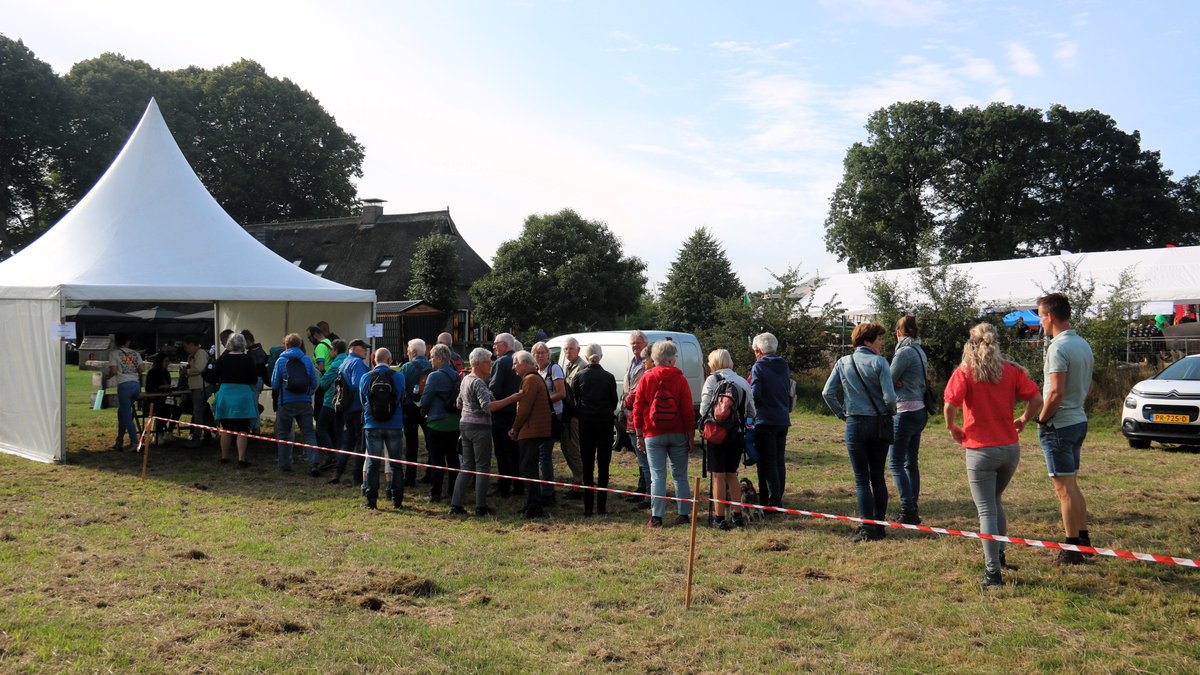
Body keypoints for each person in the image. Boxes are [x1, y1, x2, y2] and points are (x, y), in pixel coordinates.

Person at [944, 323, 1043, 589]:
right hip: (1009, 449)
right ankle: (999, 556)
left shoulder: (964, 372)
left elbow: (950, 405)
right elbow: (1037, 399)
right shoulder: (1010, 371)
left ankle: (992, 574)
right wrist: (1023, 419)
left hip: (980, 450)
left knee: (986, 508)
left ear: (971, 343)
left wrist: (952, 428)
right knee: (995, 501)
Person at [1035, 292, 1096, 565]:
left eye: (1040, 316)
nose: (1040, 323)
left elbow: (1055, 393)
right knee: (1072, 485)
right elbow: (1089, 386)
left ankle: (1072, 547)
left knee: (1064, 490)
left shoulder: (1058, 348)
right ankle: (1083, 539)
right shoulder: (1082, 344)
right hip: (1078, 420)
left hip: (1060, 424)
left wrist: (1043, 419)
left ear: (1050, 316)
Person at [822, 323, 897, 542]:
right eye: (879, 339)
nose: (882, 343)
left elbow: (828, 392)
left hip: (854, 423)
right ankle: (880, 527)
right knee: (878, 476)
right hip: (879, 423)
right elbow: (890, 398)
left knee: (861, 479)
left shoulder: (843, 362)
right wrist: (889, 411)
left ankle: (867, 527)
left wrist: (841, 414)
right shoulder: (880, 363)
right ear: (867, 341)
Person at [452, 347, 523, 516]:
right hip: (479, 428)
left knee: (467, 466)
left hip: (465, 425)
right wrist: (512, 399)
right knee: (483, 467)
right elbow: (488, 407)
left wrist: (471, 408)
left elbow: (459, 404)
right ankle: (480, 507)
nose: (490, 364)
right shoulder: (478, 382)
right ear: (478, 363)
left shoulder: (465, 380)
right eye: (487, 361)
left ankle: (456, 505)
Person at [633, 340, 695, 528]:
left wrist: (638, 434)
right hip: (677, 433)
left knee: (657, 475)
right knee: (680, 475)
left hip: (653, 433)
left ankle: (657, 517)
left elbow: (638, 407)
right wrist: (691, 436)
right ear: (671, 360)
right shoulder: (680, 379)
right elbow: (687, 410)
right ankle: (683, 515)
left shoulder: (647, 378)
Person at [700, 348, 755, 530]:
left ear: (713, 363)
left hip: (716, 434)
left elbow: (704, 410)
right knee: (732, 474)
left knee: (717, 475)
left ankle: (719, 518)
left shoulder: (711, 380)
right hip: (736, 433)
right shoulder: (741, 382)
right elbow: (751, 412)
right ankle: (738, 516)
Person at [888, 316, 930, 525]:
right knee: (910, 462)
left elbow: (887, 378)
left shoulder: (903, 352)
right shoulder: (920, 351)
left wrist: (894, 381)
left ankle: (908, 509)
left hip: (904, 410)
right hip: (920, 409)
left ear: (898, 333)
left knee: (895, 463)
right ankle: (913, 504)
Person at [571, 343, 619, 517]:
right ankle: (601, 506)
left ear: (585, 357)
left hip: (586, 424)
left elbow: (574, 399)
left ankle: (588, 507)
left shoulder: (579, 376)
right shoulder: (609, 377)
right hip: (605, 423)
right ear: (601, 356)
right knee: (604, 466)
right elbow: (614, 401)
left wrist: (582, 413)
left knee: (587, 465)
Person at [360, 348, 406, 510]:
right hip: (394, 424)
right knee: (395, 464)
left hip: (372, 425)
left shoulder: (366, 377)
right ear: (390, 360)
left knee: (373, 463)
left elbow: (363, 400)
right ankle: (397, 500)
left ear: (374, 361)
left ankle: (371, 501)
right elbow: (400, 397)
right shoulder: (399, 377)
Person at [750, 332, 792, 510]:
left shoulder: (758, 367)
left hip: (765, 419)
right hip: (782, 418)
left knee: (766, 461)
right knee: (778, 460)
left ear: (758, 350)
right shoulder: (784, 365)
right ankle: (775, 496)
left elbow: (756, 395)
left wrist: (750, 409)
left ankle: (772, 501)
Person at [509, 350, 553, 518]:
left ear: (525, 363)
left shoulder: (530, 381)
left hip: (531, 431)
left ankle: (534, 507)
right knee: (531, 467)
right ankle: (531, 504)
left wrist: (514, 428)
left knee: (527, 468)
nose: (513, 367)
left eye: (515, 363)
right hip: (533, 430)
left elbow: (524, 410)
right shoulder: (533, 379)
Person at [418, 343, 462, 503]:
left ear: (439, 358)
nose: (430, 361)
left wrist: (422, 413)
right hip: (454, 422)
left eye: (432, 357)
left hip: (437, 423)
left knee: (437, 460)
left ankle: (435, 493)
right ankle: (453, 491)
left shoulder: (434, 376)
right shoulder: (456, 375)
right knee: (453, 459)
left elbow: (426, 399)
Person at [270, 333, 319, 473]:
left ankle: (284, 464)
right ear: (300, 345)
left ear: (286, 345)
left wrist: (277, 398)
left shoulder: (281, 361)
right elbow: (314, 382)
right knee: (308, 433)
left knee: (284, 433)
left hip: (286, 402)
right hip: (304, 402)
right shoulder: (307, 360)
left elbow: (274, 384)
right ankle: (314, 463)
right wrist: (308, 395)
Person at [211, 333, 258, 467]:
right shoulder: (248, 359)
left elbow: (214, 377)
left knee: (226, 428)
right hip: (243, 394)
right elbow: (253, 380)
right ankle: (241, 458)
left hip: (226, 394)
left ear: (229, 344)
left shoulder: (222, 359)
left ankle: (224, 457)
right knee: (243, 428)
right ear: (243, 344)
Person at [330, 339, 370, 485]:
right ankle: (357, 478)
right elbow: (358, 385)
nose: (366, 350)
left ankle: (337, 472)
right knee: (360, 444)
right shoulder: (357, 363)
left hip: (346, 408)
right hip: (357, 408)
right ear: (352, 348)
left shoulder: (344, 362)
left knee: (347, 442)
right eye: (363, 348)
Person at [489, 333, 523, 498]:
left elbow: (494, 389)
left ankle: (504, 488)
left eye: (496, 344)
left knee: (502, 452)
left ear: (504, 344)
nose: (494, 347)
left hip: (502, 414)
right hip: (517, 413)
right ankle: (518, 485)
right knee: (516, 452)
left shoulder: (501, 362)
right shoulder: (520, 360)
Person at [531, 341, 566, 504]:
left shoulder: (554, 369)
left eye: (542, 352)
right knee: (540, 455)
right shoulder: (535, 372)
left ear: (548, 355)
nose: (539, 355)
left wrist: (542, 400)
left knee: (544, 455)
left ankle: (548, 493)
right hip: (540, 417)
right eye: (537, 353)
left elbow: (561, 393)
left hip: (553, 416)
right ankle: (544, 489)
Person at [621, 331, 651, 508]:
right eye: (632, 343)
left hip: (640, 415)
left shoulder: (646, 366)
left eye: (638, 343)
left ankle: (648, 494)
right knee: (641, 459)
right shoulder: (632, 363)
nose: (635, 346)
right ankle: (642, 489)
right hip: (630, 414)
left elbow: (637, 391)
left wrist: (627, 401)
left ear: (645, 344)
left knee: (645, 460)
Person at [397, 338, 431, 488]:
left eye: (409, 350)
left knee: (411, 445)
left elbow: (401, 389)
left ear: (414, 352)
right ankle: (430, 474)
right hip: (428, 410)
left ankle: (410, 478)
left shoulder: (406, 367)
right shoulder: (432, 366)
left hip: (410, 410)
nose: (407, 353)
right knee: (431, 444)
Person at [558, 337, 587, 495]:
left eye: (571, 349)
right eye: (565, 349)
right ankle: (578, 479)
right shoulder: (568, 366)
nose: (568, 352)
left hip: (575, 416)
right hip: (567, 414)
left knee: (574, 448)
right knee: (566, 447)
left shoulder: (582, 367)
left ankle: (579, 482)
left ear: (578, 350)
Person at [315, 339, 349, 473]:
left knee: (320, 427)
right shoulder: (347, 360)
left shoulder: (336, 365)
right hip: (344, 401)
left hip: (331, 400)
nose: (329, 352)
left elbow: (323, 383)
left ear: (335, 350)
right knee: (339, 429)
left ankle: (331, 456)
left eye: (331, 349)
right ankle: (341, 458)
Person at [108, 332, 144, 451]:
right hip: (136, 385)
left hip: (124, 386)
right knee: (122, 413)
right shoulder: (135, 353)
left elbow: (113, 371)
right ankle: (119, 441)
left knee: (126, 415)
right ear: (128, 341)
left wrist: (105, 377)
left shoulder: (114, 353)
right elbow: (142, 369)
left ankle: (134, 442)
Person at [181, 335, 212, 449]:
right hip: (197, 387)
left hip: (201, 387)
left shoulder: (201, 353)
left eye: (186, 346)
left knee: (198, 412)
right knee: (201, 412)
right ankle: (208, 433)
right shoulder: (194, 355)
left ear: (191, 344)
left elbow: (199, 368)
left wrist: (186, 371)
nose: (185, 349)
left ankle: (196, 438)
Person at [144, 351, 182, 439]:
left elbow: (167, 388)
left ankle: (169, 431)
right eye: (166, 361)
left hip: (162, 401)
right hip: (152, 403)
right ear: (160, 361)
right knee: (162, 410)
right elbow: (148, 388)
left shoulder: (166, 373)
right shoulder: (152, 373)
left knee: (177, 410)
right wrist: (160, 387)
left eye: (168, 361)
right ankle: (159, 433)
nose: (167, 363)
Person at [242, 329, 268, 433]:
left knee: (253, 406)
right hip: (259, 381)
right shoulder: (260, 350)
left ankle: (255, 429)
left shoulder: (252, 353)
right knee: (254, 405)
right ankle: (254, 428)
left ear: (248, 341)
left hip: (254, 381)